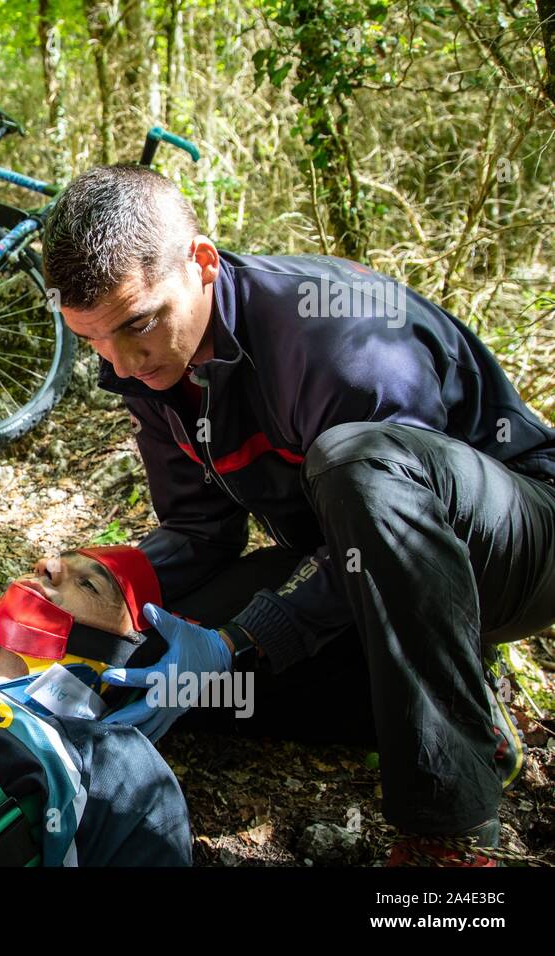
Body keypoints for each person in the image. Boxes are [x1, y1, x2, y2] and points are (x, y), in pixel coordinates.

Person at [41, 162, 555, 866]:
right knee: (143, 659)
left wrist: (243, 639)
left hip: (514, 547)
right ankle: (434, 709)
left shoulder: (334, 337)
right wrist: (107, 580)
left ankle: (452, 828)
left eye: (136, 326)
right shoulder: (148, 366)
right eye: (93, 340)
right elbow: (199, 533)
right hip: (355, 563)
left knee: (357, 463)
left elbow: (393, 519)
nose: (123, 364)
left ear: (202, 263)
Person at [0, 545, 191, 866]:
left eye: (88, 584)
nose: (44, 565)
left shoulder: (120, 768)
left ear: (128, 656)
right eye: (54, 563)